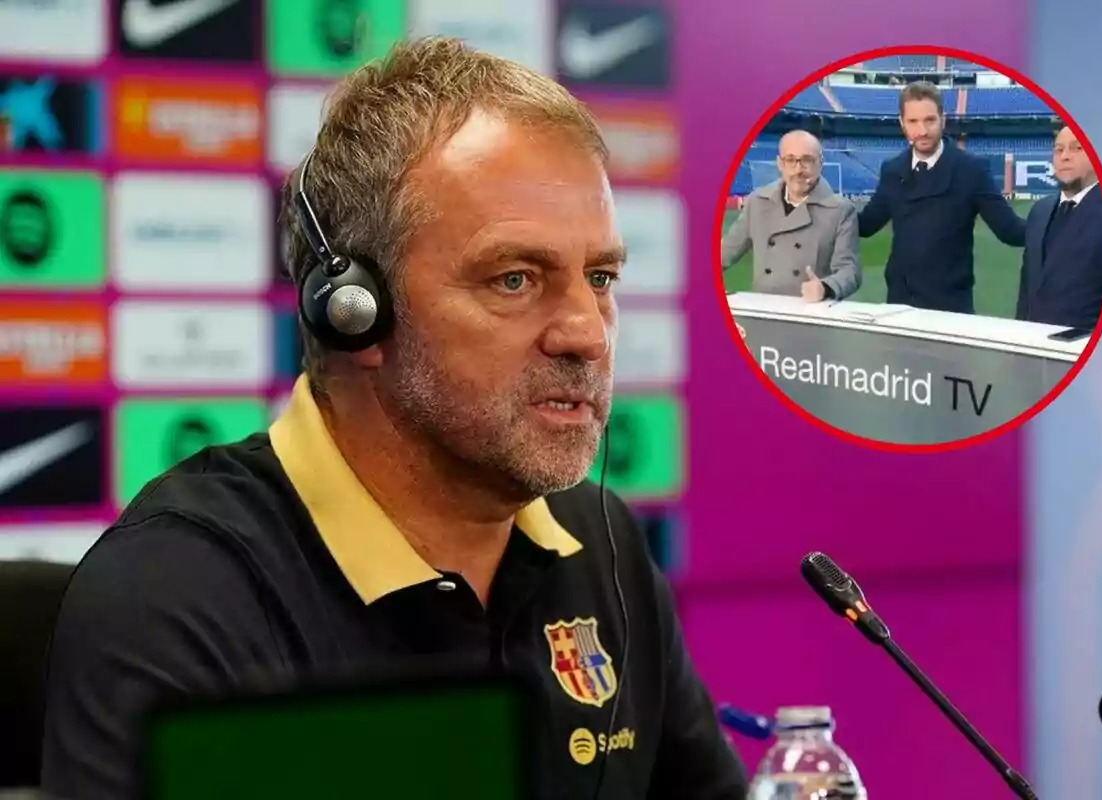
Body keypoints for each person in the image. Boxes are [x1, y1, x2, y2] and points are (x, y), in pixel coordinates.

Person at [40, 37, 747, 800]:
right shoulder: (178, 595)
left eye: (599, 276)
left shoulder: (600, 543)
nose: (588, 331)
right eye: (515, 278)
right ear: (357, 315)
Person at [857, 82, 1026, 314]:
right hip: (899, 305)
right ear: (902, 124)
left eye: (930, 120)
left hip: (951, 308)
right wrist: (824, 209)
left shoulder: (971, 170)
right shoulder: (892, 170)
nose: (922, 130)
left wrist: (1059, 221)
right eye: (913, 122)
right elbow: (866, 224)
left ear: (942, 120)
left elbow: (1010, 230)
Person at [721, 130, 862, 301]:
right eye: (790, 160)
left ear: (820, 163)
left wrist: (825, 287)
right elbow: (725, 252)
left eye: (807, 160)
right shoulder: (757, 202)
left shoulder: (841, 210)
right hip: (762, 312)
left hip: (809, 315)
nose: (798, 169)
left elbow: (849, 271)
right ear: (780, 163)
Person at [1015, 125, 1102, 328]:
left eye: (1077, 148)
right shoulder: (1039, 211)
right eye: (1059, 149)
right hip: (1031, 347)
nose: (1065, 156)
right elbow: (1027, 289)